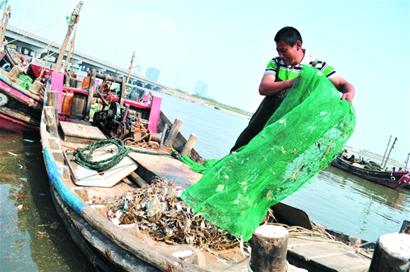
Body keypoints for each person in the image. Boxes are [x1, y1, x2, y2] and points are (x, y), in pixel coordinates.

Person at [230, 26, 356, 152]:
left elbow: (343, 84)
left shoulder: (316, 66)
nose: (280, 55)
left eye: (284, 50)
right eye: (278, 51)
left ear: (297, 45)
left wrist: (349, 93)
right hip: (262, 119)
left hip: (289, 128)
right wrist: (292, 82)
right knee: (240, 149)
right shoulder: (276, 62)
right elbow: (264, 88)